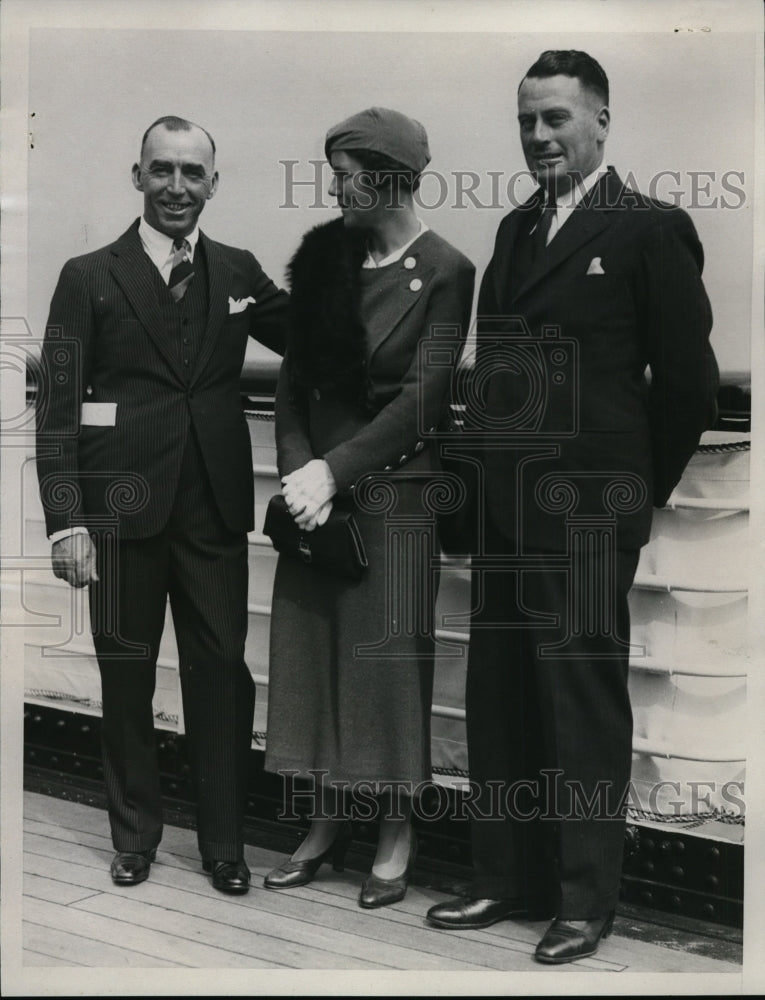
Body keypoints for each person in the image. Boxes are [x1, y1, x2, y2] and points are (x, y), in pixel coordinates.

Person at [426, 51, 719, 962]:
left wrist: (629, 496)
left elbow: (685, 387)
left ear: (600, 121)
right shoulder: (514, 232)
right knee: (500, 695)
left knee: (584, 704)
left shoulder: (649, 228)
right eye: (526, 121)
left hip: (589, 516)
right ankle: (501, 875)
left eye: (556, 118)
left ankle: (585, 899)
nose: (539, 137)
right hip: (508, 513)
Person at [35, 116, 288, 895]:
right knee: (127, 675)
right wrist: (67, 519)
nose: (178, 187)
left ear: (214, 183)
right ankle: (135, 837)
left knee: (221, 675)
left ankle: (224, 847)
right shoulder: (88, 275)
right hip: (118, 512)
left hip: (212, 510)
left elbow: (317, 337)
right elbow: (57, 408)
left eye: (193, 173)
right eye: (162, 171)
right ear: (136, 176)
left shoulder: (239, 268)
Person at [263, 107, 475, 908]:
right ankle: (322, 823)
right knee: (313, 656)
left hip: (393, 499)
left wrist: (334, 471)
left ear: (391, 177)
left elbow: (422, 399)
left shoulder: (447, 269)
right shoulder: (325, 260)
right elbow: (289, 386)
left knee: (385, 666)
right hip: (312, 497)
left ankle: (394, 829)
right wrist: (297, 476)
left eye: (347, 174)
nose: (334, 188)